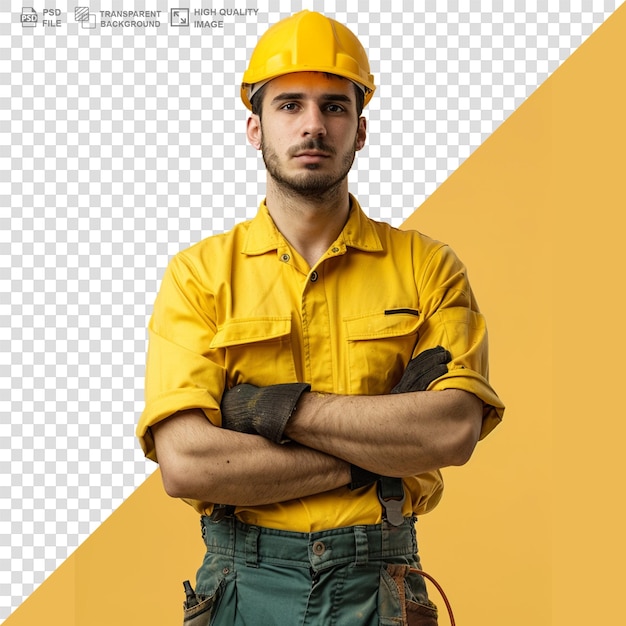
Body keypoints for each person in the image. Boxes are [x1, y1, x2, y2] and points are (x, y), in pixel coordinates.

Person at [136, 10, 504, 626]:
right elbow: (188, 463)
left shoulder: (428, 267)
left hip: (380, 583)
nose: (313, 125)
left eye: (335, 107)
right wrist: (381, 449)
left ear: (360, 130)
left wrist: (268, 411)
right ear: (254, 127)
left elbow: (451, 432)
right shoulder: (199, 274)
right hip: (240, 586)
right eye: (289, 106)